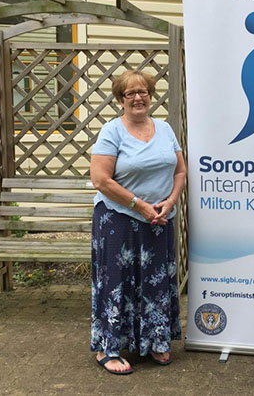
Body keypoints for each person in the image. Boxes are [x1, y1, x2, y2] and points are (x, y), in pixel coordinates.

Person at [89, 70, 186, 375]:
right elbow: (100, 180)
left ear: (150, 95)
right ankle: (108, 348)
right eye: (130, 93)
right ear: (120, 100)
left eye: (143, 91)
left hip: (158, 219)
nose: (138, 97)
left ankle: (155, 340)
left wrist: (170, 202)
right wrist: (139, 205)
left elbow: (180, 171)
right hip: (119, 220)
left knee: (155, 282)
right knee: (116, 283)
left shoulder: (166, 129)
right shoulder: (112, 131)